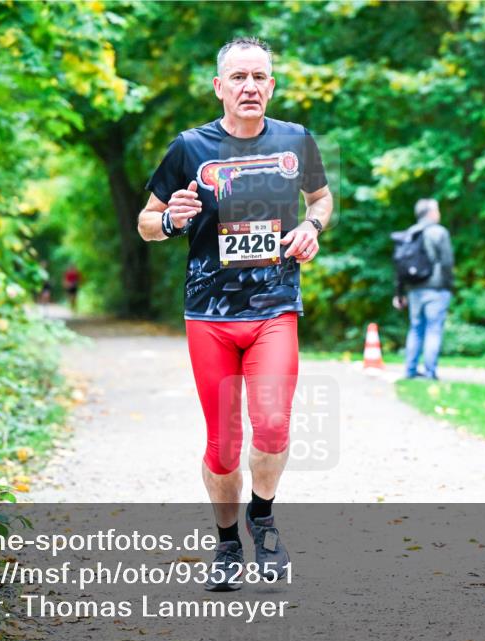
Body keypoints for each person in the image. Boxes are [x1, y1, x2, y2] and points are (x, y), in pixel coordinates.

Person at [137, 37, 333, 591]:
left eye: (259, 77)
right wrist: (171, 220)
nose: (250, 87)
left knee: (272, 426)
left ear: (272, 85)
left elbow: (321, 199)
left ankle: (262, 518)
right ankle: (227, 544)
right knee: (223, 446)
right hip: (210, 316)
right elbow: (147, 222)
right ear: (219, 87)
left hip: (274, 307)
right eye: (239, 77)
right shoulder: (188, 148)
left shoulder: (296, 139)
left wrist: (311, 227)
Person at [391, 198, 454, 380]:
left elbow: (400, 266)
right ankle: (430, 372)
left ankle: (410, 370)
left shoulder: (410, 233)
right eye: (437, 209)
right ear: (431, 213)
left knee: (416, 329)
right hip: (436, 289)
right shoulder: (439, 232)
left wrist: (399, 293)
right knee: (433, 329)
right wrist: (448, 286)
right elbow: (447, 262)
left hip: (414, 290)